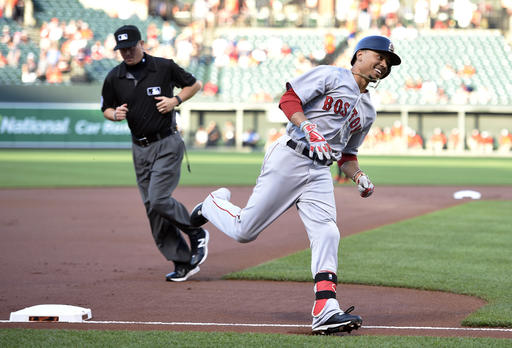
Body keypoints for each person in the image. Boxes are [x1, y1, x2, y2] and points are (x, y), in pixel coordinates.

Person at [189, 35, 401, 334]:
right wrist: (309, 127)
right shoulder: (330, 74)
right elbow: (288, 100)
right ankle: (212, 204)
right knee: (244, 231)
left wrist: (358, 175)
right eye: (380, 57)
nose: (384, 64)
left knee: (327, 232)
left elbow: (348, 155)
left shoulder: (368, 110)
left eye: (389, 62)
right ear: (360, 54)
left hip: (319, 171)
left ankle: (325, 308)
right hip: (291, 155)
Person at [100, 25, 208, 282]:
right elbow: (105, 107)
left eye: (130, 47)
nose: (126, 52)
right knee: (152, 209)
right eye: (122, 49)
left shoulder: (163, 67)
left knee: (158, 199)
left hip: (167, 142)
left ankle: (195, 232)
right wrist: (114, 114)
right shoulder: (115, 77)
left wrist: (175, 101)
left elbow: (195, 85)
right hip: (139, 148)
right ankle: (182, 261)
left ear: (141, 43)